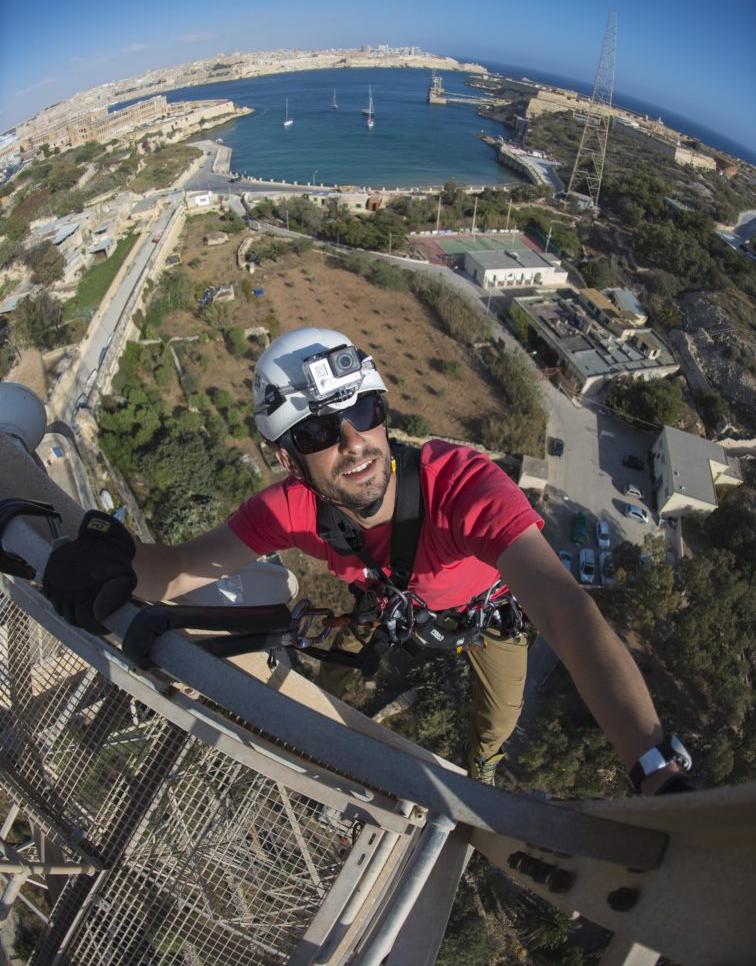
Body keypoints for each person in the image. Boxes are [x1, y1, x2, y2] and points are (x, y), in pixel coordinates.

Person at [42, 326, 692, 793]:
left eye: (363, 410)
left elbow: (562, 607)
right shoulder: (287, 509)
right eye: (320, 431)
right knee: (336, 640)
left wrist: (652, 762)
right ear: (286, 459)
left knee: (500, 713)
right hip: (395, 606)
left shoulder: (461, 485)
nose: (353, 442)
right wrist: (110, 560)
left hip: (486, 617)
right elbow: (184, 567)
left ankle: (485, 763)